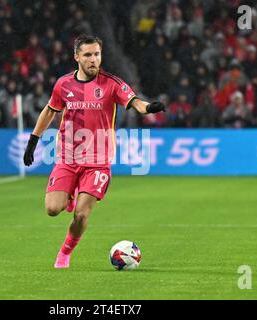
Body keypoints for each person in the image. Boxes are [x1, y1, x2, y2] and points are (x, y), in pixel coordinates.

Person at [22, 35, 165, 269]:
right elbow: (50, 111)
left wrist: (148, 108)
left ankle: (65, 253)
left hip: (98, 161)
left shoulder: (112, 83)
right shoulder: (63, 84)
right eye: (87, 55)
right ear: (76, 57)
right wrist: (33, 140)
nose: (93, 60)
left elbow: (134, 101)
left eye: (96, 54)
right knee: (52, 209)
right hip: (68, 157)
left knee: (81, 214)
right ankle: (69, 193)